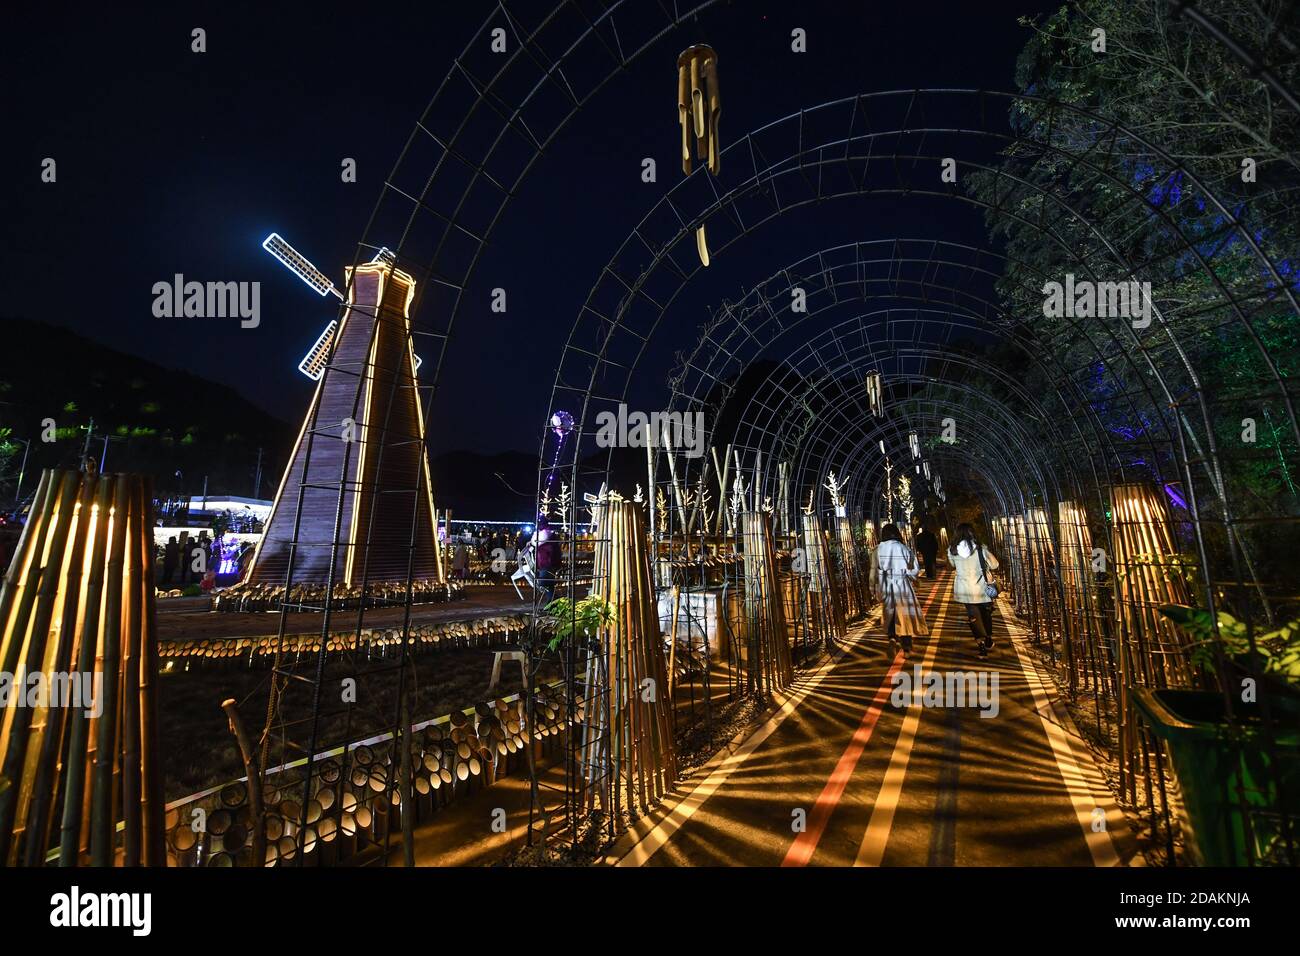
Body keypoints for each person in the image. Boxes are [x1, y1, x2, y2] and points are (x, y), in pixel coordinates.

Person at [871, 523, 928, 655]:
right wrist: (912, 577)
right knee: (904, 616)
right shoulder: (903, 548)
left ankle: (892, 638)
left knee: (890, 614)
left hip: (885, 585)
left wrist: (874, 587)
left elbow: (874, 570)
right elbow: (914, 569)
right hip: (902, 585)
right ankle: (906, 647)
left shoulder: (877, 549)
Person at [948, 522, 1001, 659]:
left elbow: (953, 565)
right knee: (986, 614)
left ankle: (981, 647)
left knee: (973, 617)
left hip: (965, 590)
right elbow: (995, 565)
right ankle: (988, 638)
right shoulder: (980, 549)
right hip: (982, 588)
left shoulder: (952, 550)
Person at [532, 517, 559, 603]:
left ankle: (553, 600)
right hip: (548, 561)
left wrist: (534, 536)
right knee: (549, 584)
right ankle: (552, 602)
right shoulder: (548, 532)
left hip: (547, 562)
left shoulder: (545, 533)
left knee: (544, 583)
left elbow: (535, 541)